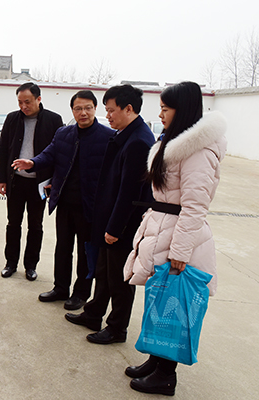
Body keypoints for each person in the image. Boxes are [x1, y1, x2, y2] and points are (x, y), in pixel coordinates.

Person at [122, 81, 227, 396]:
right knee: (159, 299)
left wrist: (180, 251)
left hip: (181, 236)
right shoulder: (173, 143)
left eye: (165, 109)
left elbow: (195, 206)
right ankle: (156, 361)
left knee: (173, 306)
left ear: (182, 111)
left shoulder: (199, 151)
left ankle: (166, 375)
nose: (161, 114)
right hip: (163, 227)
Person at [65, 84, 155, 344]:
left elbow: (129, 193)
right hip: (109, 218)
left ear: (129, 109)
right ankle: (94, 313)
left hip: (123, 225)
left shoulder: (138, 142)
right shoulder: (126, 134)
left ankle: (117, 328)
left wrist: (115, 228)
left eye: (111, 110)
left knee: (119, 279)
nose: (108, 116)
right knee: (104, 272)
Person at [12, 90, 113, 309]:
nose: (83, 113)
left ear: (95, 109)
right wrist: (32, 163)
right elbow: (48, 154)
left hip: (90, 206)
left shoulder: (108, 137)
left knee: (85, 252)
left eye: (87, 108)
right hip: (65, 202)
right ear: (72, 111)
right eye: (78, 109)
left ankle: (81, 293)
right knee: (63, 248)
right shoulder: (63, 133)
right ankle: (60, 288)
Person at [0, 82, 64, 281]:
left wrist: (54, 181)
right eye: (20, 102)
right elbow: (3, 150)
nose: (23, 106)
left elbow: (59, 154)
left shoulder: (53, 120)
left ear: (38, 99)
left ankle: (31, 265)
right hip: (15, 182)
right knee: (13, 224)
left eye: (27, 102)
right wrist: (1, 179)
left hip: (39, 184)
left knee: (35, 226)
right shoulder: (12, 119)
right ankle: (10, 263)